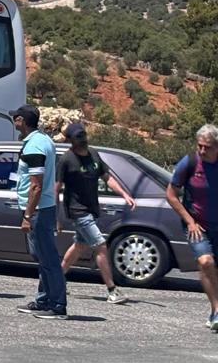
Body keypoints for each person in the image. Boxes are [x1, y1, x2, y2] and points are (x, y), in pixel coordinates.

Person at [54, 122, 135, 305]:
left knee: (80, 246)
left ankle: (55, 279)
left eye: (83, 135)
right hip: (77, 211)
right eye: (78, 137)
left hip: (91, 209)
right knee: (100, 245)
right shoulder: (67, 160)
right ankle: (112, 290)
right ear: (71, 140)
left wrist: (124, 194)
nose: (82, 139)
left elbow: (107, 177)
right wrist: (56, 217)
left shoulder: (94, 155)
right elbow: (56, 188)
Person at [12, 104, 67, 320]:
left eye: (15, 118)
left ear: (22, 122)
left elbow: (36, 184)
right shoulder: (43, 140)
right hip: (43, 207)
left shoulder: (34, 146)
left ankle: (58, 304)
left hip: (38, 210)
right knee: (42, 256)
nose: (13, 120)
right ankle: (44, 299)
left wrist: (27, 215)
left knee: (49, 258)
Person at [164, 123, 218, 331]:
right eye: (200, 146)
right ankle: (215, 311)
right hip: (197, 226)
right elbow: (170, 194)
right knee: (205, 262)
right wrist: (189, 220)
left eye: (208, 147)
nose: (202, 150)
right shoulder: (190, 162)